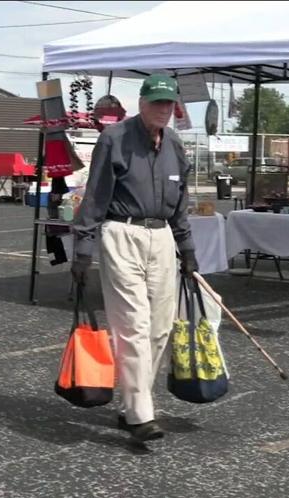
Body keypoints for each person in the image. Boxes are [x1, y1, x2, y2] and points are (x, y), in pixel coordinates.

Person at [72, 75, 196, 442]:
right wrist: (82, 250)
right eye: (156, 102)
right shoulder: (115, 139)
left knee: (160, 329)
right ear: (141, 102)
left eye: (168, 103)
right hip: (121, 233)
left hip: (161, 238)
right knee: (133, 327)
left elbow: (181, 202)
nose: (162, 109)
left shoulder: (174, 144)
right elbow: (94, 196)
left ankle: (130, 405)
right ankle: (141, 414)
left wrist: (187, 249)